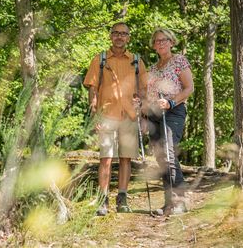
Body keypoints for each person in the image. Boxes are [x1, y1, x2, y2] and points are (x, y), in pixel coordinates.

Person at [83, 22, 146, 216]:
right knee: (106, 159)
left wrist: (140, 103)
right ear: (111, 36)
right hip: (107, 115)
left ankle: (122, 198)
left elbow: (144, 88)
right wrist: (94, 114)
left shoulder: (136, 61)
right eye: (116, 33)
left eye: (123, 34)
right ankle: (103, 200)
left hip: (129, 115)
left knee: (126, 158)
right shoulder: (100, 59)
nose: (119, 37)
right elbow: (92, 88)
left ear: (128, 38)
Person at [141, 28, 194, 216]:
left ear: (172, 42)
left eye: (164, 40)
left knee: (169, 153)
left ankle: (180, 201)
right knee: (161, 158)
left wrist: (171, 102)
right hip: (154, 114)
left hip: (174, 111)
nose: (161, 43)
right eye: (157, 41)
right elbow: (149, 97)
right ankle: (169, 203)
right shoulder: (153, 69)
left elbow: (189, 88)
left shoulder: (179, 61)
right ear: (154, 46)